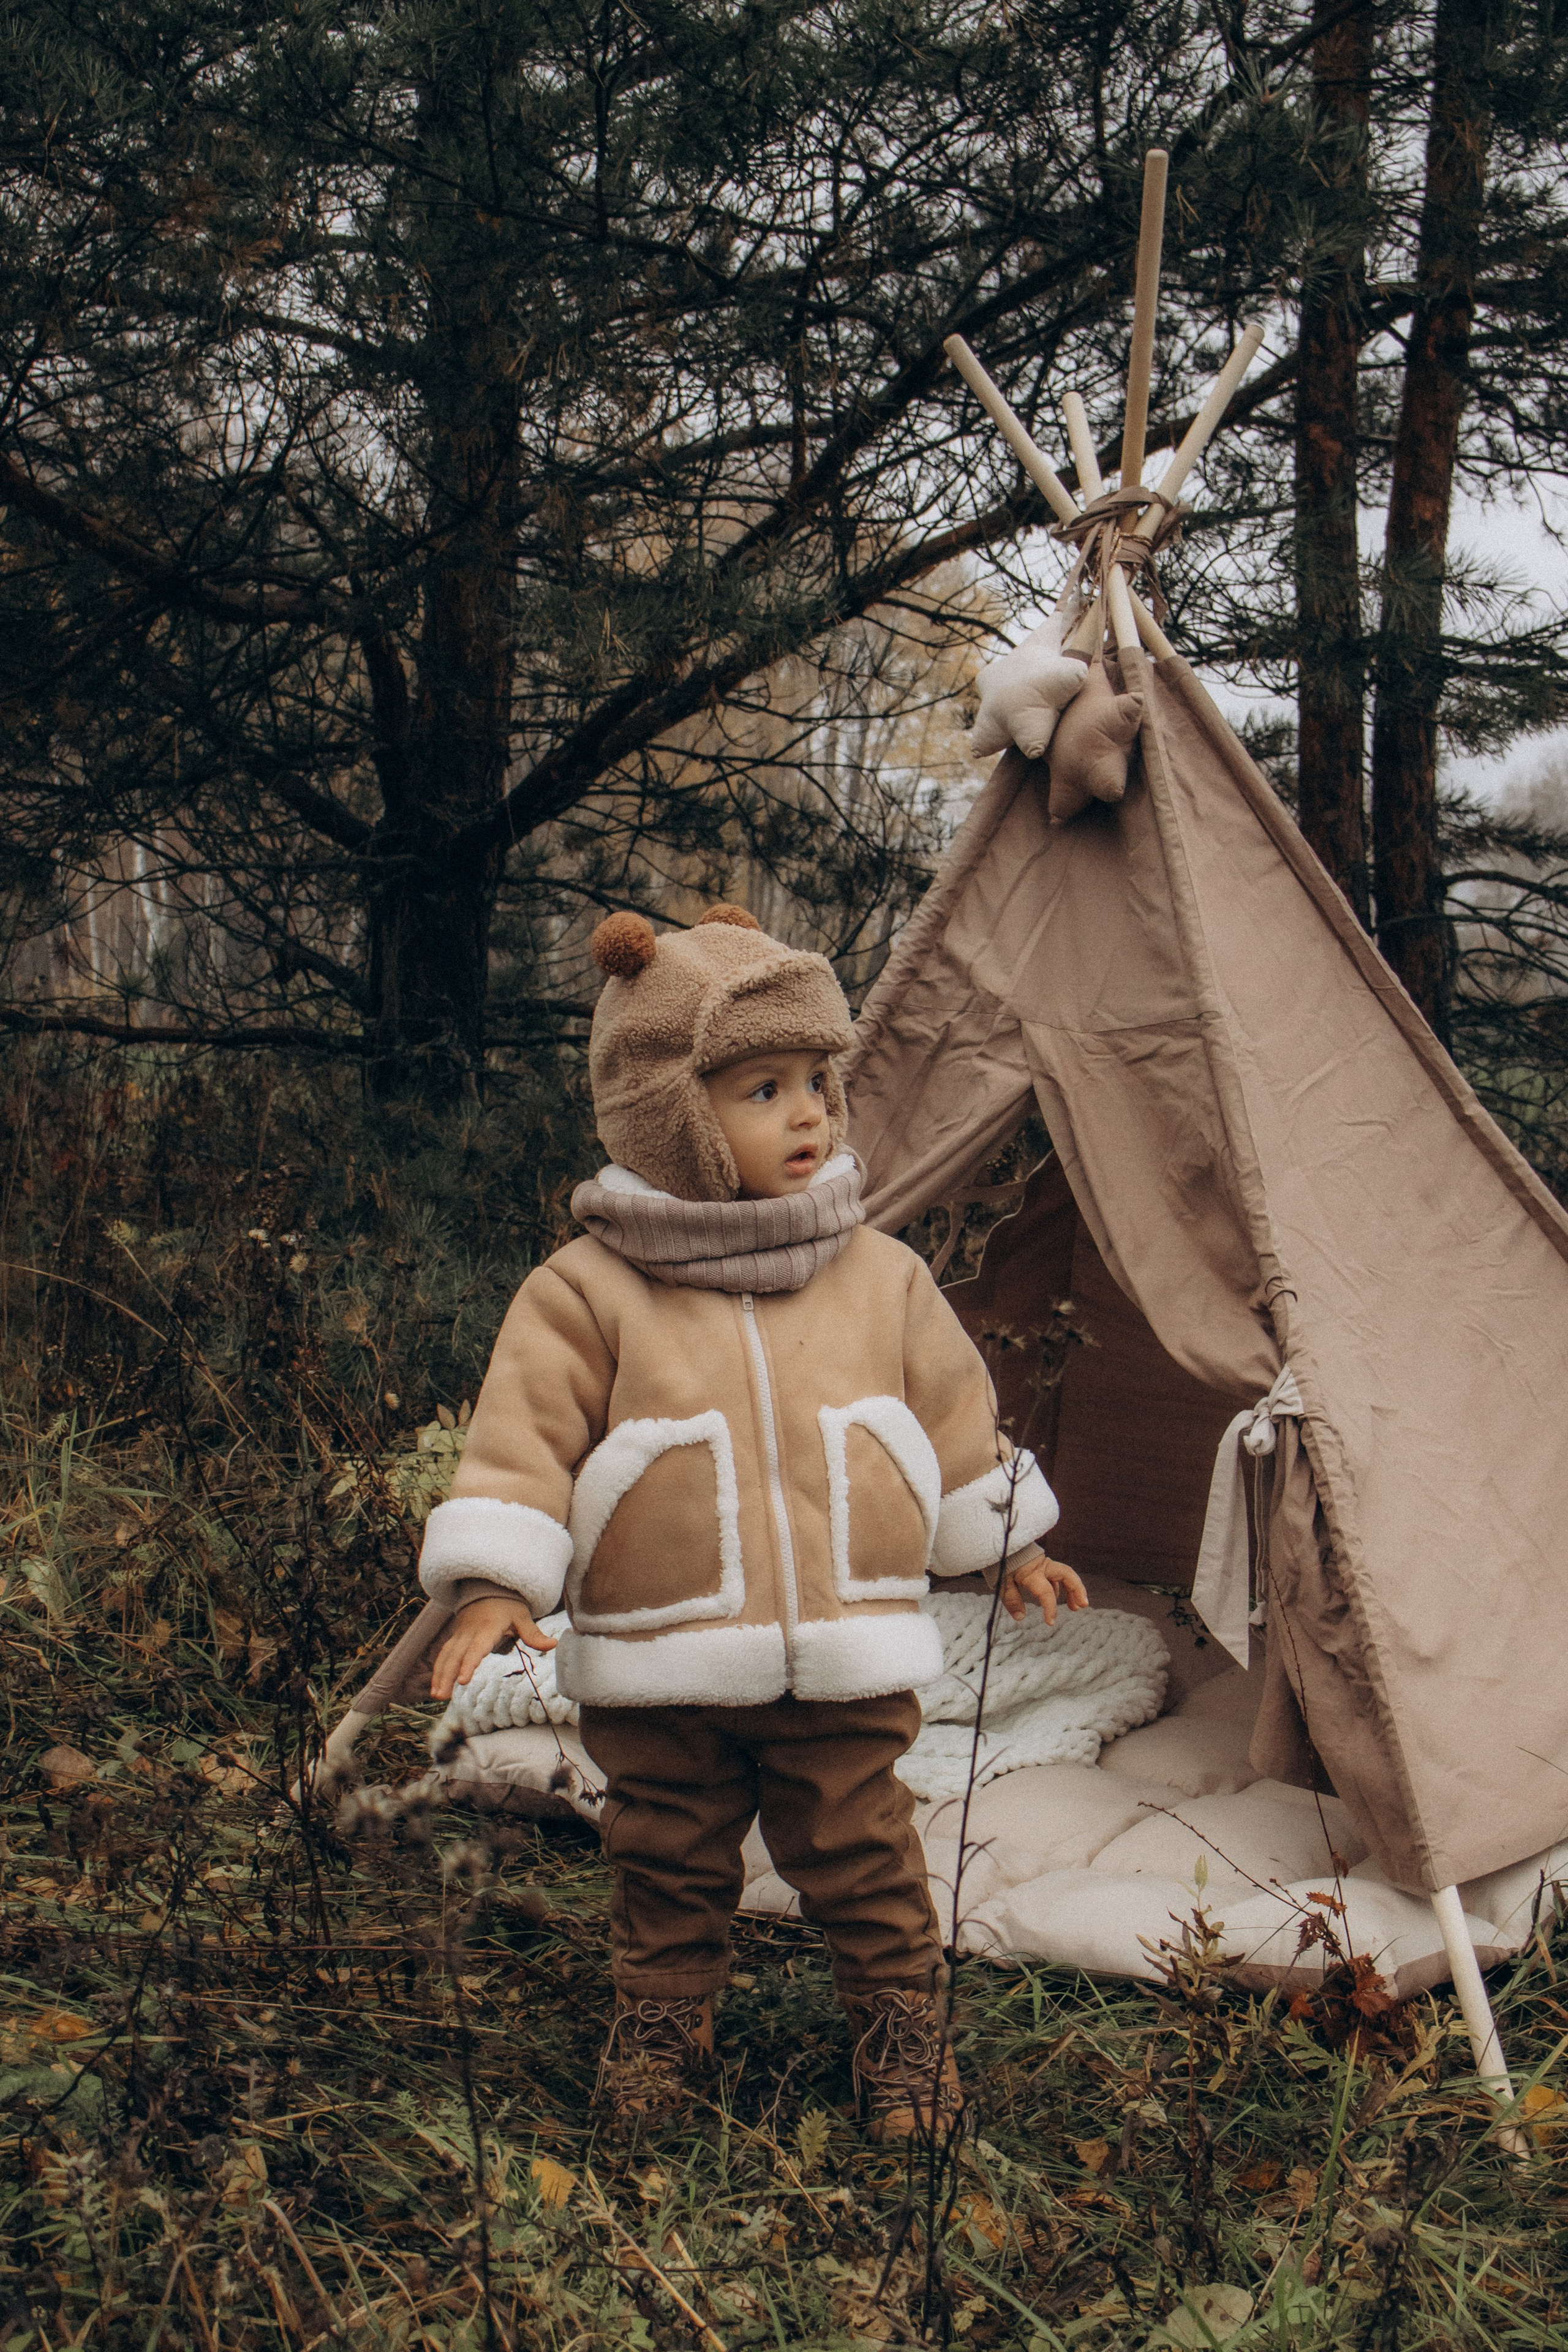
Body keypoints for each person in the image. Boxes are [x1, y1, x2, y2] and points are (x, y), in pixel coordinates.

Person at [418, 905, 1086, 2135]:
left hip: (841, 1649)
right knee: (664, 1855)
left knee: (862, 1852)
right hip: (662, 1655)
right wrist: (498, 1580)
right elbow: (523, 1438)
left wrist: (1009, 1542)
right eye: (761, 1089)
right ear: (672, 1114)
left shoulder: (876, 1272)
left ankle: (898, 2037)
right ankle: (661, 2036)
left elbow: (951, 1418)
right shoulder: (589, 1287)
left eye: (814, 1083)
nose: (807, 1115)